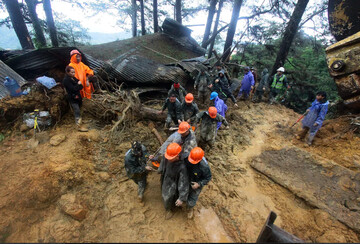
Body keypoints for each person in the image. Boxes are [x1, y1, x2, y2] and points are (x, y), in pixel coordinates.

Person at [161, 143, 189, 219]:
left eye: (171, 158)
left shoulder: (182, 167)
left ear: (177, 156)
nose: (169, 159)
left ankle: (173, 207)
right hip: (167, 177)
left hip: (175, 180)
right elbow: (163, 163)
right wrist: (160, 170)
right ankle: (168, 209)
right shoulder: (168, 156)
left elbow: (183, 183)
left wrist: (181, 198)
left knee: (173, 195)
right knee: (166, 195)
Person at [185, 147, 212, 219]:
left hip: (197, 181)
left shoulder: (204, 167)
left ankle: (190, 209)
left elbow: (208, 178)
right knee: (183, 190)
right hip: (188, 176)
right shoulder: (188, 156)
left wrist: (199, 184)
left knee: (193, 197)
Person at [62, 66, 88, 132]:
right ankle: (78, 126)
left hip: (78, 97)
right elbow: (73, 89)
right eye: (72, 72)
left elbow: (81, 86)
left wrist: (78, 85)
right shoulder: (66, 80)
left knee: (80, 108)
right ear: (67, 72)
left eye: (74, 72)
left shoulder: (73, 78)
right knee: (77, 111)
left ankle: (80, 121)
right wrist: (78, 85)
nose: (73, 73)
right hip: (72, 97)